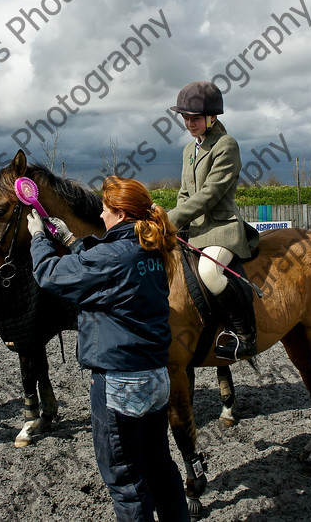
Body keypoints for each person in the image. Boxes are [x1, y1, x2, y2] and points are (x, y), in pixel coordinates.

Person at [26, 176, 191, 522]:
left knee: (126, 481)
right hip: (156, 378)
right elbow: (105, 264)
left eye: (104, 208)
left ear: (119, 212)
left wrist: (38, 237)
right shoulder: (152, 249)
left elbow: (50, 275)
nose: (100, 215)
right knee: (161, 467)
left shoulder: (113, 256)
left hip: (120, 384)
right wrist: (71, 240)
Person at [168, 80, 259, 361]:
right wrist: (173, 220)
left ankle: (245, 335)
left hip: (221, 227)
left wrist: (169, 219)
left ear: (212, 117)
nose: (189, 123)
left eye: (194, 118)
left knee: (209, 271)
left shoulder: (226, 145)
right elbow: (185, 192)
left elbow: (210, 194)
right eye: (185, 117)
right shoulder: (188, 149)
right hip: (194, 228)